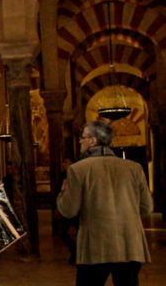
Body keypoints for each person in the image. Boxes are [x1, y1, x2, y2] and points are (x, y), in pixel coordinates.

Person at [57, 120, 152, 286]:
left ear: (93, 140)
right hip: (129, 244)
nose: (80, 141)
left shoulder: (78, 169)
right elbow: (147, 207)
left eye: (83, 137)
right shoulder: (134, 168)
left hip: (95, 246)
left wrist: (63, 192)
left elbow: (68, 210)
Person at [55, 158, 77, 264]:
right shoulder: (63, 176)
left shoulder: (77, 174)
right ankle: (74, 251)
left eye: (66, 162)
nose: (64, 165)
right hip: (66, 208)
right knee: (62, 232)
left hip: (76, 208)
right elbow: (60, 191)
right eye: (63, 162)